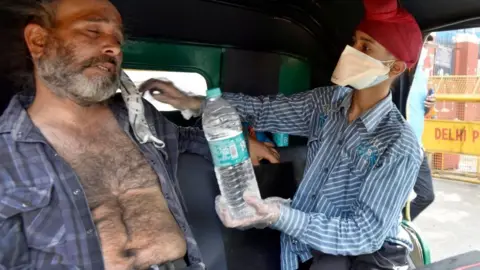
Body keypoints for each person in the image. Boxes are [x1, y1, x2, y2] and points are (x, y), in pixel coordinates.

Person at [141, 0, 424, 269]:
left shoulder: (398, 144)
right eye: (354, 41)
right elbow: (261, 110)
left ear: (395, 68)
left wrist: (280, 215)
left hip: (355, 258)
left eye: (366, 46)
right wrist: (192, 101)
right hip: (298, 247)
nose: (352, 51)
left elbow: (365, 234)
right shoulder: (327, 103)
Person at [0, 0, 277, 269]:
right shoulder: (6, 152)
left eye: (118, 39)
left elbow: (182, 137)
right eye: (92, 31)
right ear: (38, 41)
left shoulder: (137, 118)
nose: (113, 48)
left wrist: (240, 142)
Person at [406, 35, 437, 220]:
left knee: (427, 195)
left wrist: (430, 104)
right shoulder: (402, 73)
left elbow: (420, 110)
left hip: (417, 145)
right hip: (401, 145)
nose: (425, 47)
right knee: (395, 195)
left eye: (427, 44)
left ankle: (400, 222)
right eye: (423, 43)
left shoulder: (422, 76)